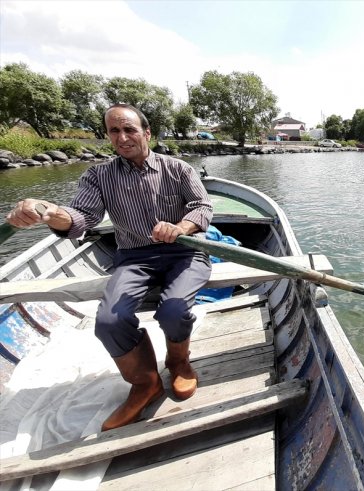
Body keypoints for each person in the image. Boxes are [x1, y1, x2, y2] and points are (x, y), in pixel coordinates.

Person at [5, 103, 213, 431]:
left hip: (185, 252)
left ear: (147, 133)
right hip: (134, 257)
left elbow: (201, 206)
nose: (122, 137)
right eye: (114, 131)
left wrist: (181, 227)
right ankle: (145, 382)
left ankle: (178, 361)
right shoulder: (99, 175)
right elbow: (81, 217)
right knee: (109, 321)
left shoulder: (178, 169)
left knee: (174, 311)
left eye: (129, 129)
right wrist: (46, 209)